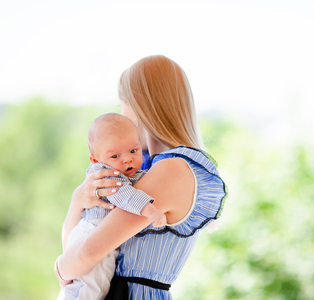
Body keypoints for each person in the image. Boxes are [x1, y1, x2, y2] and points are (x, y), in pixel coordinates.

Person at [55, 55, 227, 299]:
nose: (119, 114)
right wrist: (77, 202)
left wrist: (60, 269)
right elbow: (79, 247)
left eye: (121, 105)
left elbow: (85, 255)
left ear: (139, 105)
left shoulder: (172, 170)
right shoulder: (145, 170)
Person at [57, 113, 167, 300]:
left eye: (133, 151)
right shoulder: (107, 175)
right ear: (95, 160)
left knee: (84, 285)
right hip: (92, 232)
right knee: (95, 287)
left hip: (93, 233)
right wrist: (150, 211)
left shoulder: (124, 171)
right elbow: (125, 195)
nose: (127, 159)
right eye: (115, 155)